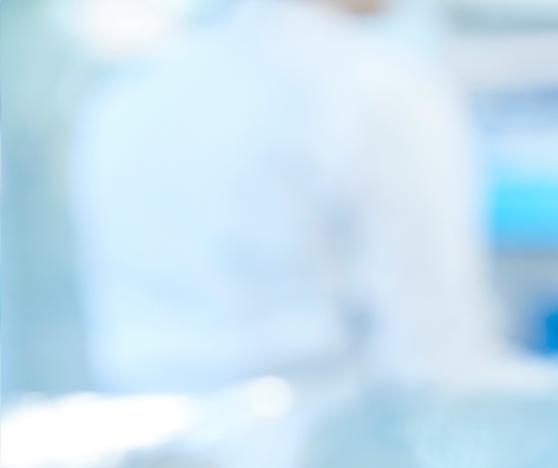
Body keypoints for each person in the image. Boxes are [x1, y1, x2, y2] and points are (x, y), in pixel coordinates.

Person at [71, 0, 504, 394]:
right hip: (328, 461)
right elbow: (436, 360)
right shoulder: (380, 90)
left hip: (158, 464)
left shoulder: (126, 102)